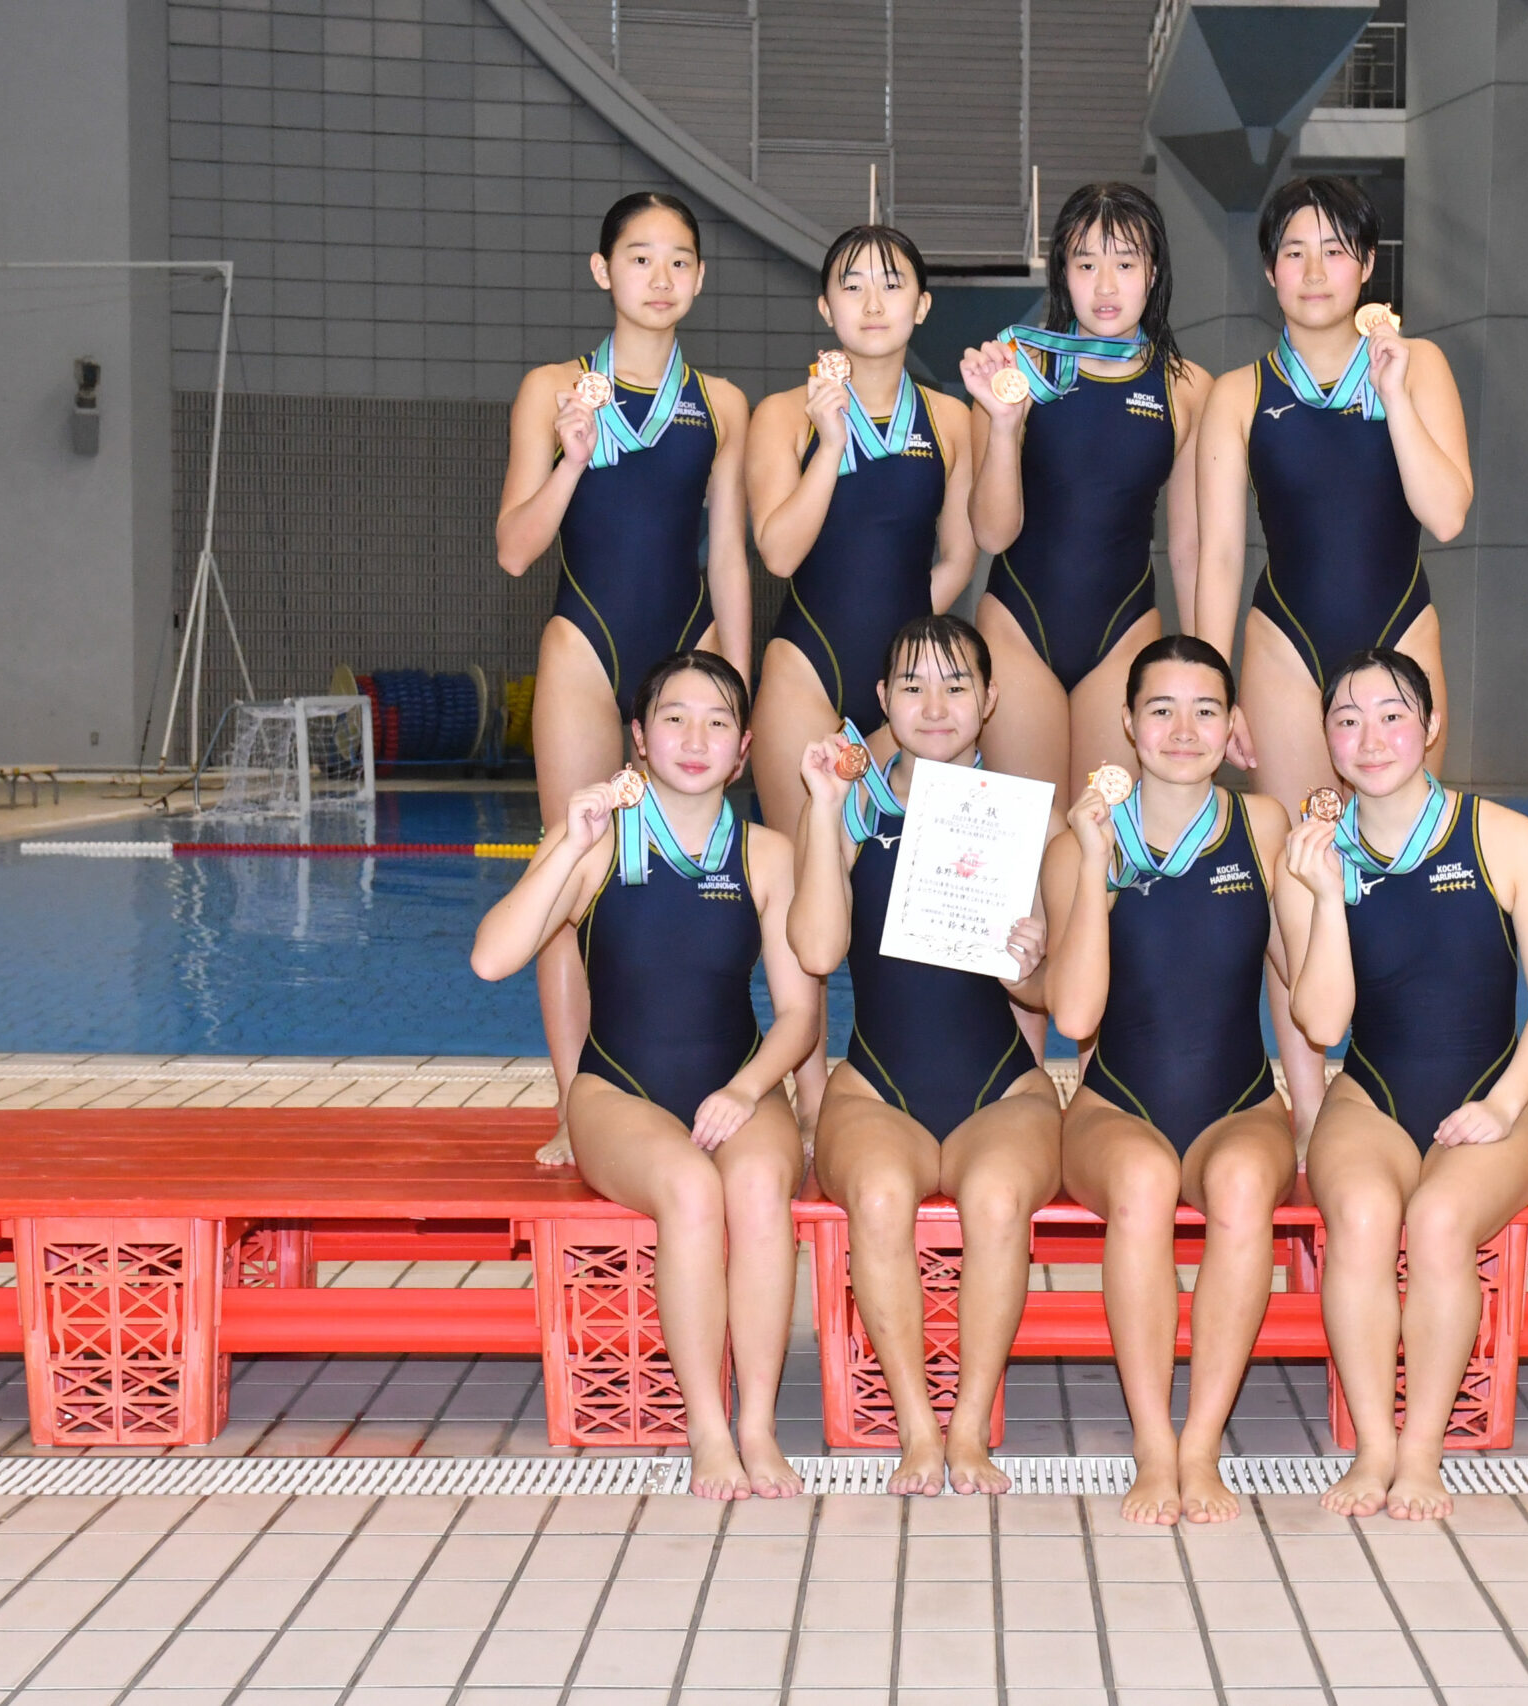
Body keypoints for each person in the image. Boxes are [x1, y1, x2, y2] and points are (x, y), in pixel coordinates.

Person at [470, 652, 816, 1501]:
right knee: (691, 1190)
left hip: (737, 1082)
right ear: (638, 736)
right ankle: (707, 1429)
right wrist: (568, 843)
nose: (695, 740)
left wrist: (746, 1090)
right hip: (617, 1092)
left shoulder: (767, 855)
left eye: (717, 723)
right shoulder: (596, 845)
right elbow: (492, 959)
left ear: (744, 749)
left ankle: (758, 1423)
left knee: (759, 1186)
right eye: (674, 719)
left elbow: (800, 1017)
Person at [1193, 176, 1474, 1138]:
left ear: (1367, 266)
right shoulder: (1239, 393)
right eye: (1294, 251)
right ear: (1269, 270)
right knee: (1295, 873)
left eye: (1336, 250)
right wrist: (1213, 690)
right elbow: (1218, 553)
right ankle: (1312, 1111)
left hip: (1399, 635)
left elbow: (1446, 513)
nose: (1315, 271)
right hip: (1284, 645)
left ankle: (1406, 1081)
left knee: (1402, 861)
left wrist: (1391, 392)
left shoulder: (1419, 365)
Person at [1277, 649, 1528, 1523]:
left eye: (1392, 716)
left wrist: (1503, 1104)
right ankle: (1374, 1446)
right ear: (1327, 739)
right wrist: (1325, 896)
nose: (1370, 738)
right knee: (1366, 1214)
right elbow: (1323, 1024)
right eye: (1348, 720)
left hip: (1489, 1093)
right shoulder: (1310, 856)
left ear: (1432, 725)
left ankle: (1421, 1451)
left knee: (1440, 1220)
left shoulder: (1504, 839)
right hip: (1370, 1096)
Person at [494, 193, 751, 1166]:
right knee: (570, 877)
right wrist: (570, 458)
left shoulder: (719, 403)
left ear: (699, 278)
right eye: (639, 258)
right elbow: (515, 549)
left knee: (686, 883)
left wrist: (735, 686)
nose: (660, 278)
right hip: (584, 648)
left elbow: (728, 556)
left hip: (688, 654)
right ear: (603, 270)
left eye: (678, 260)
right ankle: (577, 1105)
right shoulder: (553, 388)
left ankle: (686, 1081)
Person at [787, 614, 1063, 1496]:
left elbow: (1045, 999)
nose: (935, 705)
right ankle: (916, 1429)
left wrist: (1032, 961)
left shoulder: (1023, 820)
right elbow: (817, 952)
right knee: (876, 1196)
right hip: (878, 1088)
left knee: (996, 1198)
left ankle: (970, 1429)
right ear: (882, 699)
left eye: (955, 685)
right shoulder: (850, 809)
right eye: (912, 686)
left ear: (990, 699)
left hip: (1001, 1090)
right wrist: (822, 809)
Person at [1042, 635, 1296, 1526]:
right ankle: (1155, 1444)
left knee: (1242, 1185)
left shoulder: (1263, 827)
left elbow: (1302, 985)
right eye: (1161, 710)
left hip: (1241, 1107)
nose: (1183, 730)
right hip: (1116, 1109)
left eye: (1205, 710)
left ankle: (1202, 1444)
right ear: (1127, 723)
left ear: (1233, 726)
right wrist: (1092, 862)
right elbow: (1074, 1016)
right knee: (1145, 1182)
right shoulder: (1081, 841)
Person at [960, 183, 1212, 803]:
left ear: (1153, 273)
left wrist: (1208, 673)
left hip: (1125, 634)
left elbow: (1189, 548)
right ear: (1062, 274)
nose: (1105, 286)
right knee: (1030, 836)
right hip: (1018, 630)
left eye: (1124, 263)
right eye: (1085, 264)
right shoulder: (1016, 368)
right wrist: (1003, 425)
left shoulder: (1186, 387)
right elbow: (991, 534)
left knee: (1104, 834)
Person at [748, 224, 978, 840]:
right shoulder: (782, 415)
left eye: (892, 285)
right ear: (826, 307)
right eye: (852, 287)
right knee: (803, 869)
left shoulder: (951, 420)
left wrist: (907, 639)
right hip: (806, 668)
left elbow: (960, 556)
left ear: (921, 305)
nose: (873, 304)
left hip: (912, 679)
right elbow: (778, 555)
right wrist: (829, 446)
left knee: (899, 870)